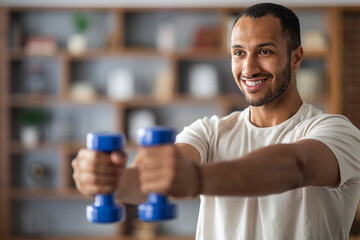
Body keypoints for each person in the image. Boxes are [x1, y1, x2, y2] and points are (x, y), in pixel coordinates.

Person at [72, 3, 360, 240]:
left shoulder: (336, 132)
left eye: (265, 51)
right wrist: (105, 179)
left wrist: (197, 178)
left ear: (296, 58)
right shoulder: (210, 131)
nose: (248, 68)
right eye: (239, 53)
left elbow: (296, 166)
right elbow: (147, 183)